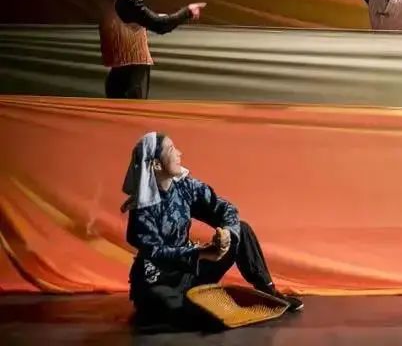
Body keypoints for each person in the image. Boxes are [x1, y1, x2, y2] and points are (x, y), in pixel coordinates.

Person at [122, 132, 303, 325]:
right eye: (171, 149)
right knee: (167, 309)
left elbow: (225, 208)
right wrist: (201, 253)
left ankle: (268, 290)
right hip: (159, 280)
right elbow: (156, 252)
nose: (179, 153)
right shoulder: (142, 208)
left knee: (241, 229)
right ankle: (192, 305)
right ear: (157, 165)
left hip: (190, 273)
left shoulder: (186, 188)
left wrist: (226, 233)